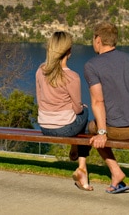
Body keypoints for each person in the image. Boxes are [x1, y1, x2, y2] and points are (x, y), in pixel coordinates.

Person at [84, 21, 129, 195]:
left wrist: (102, 132)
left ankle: (116, 172)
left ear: (98, 40)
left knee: (92, 128)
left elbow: (98, 102)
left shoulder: (92, 65)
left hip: (118, 130)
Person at [35, 31, 93, 191]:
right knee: (85, 117)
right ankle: (81, 167)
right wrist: (83, 108)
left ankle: (82, 169)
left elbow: (40, 101)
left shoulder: (40, 71)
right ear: (69, 51)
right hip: (66, 128)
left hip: (45, 126)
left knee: (82, 123)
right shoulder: (72, 77)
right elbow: (77, 108)